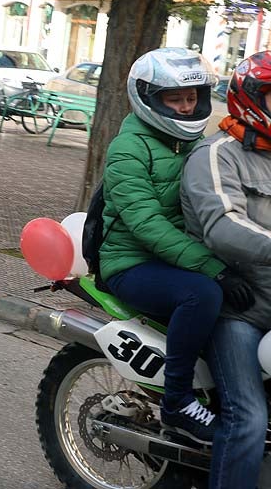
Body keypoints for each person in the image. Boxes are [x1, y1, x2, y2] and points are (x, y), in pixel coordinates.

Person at [99, 47, 227, 445]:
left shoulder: (193, 144)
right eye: (175, 99)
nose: (187, 108)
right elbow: (146, 224)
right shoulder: (128, 149)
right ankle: (177, 403)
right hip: (130, 262)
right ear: (149, 98)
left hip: (178, 254)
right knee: (203, 294)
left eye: (192, 98)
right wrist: (211, 266)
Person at [181, 51, 271, 488]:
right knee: (249, 417)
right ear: (252, 99)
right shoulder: (217, 155)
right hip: (241, 308)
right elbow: (224, 227)